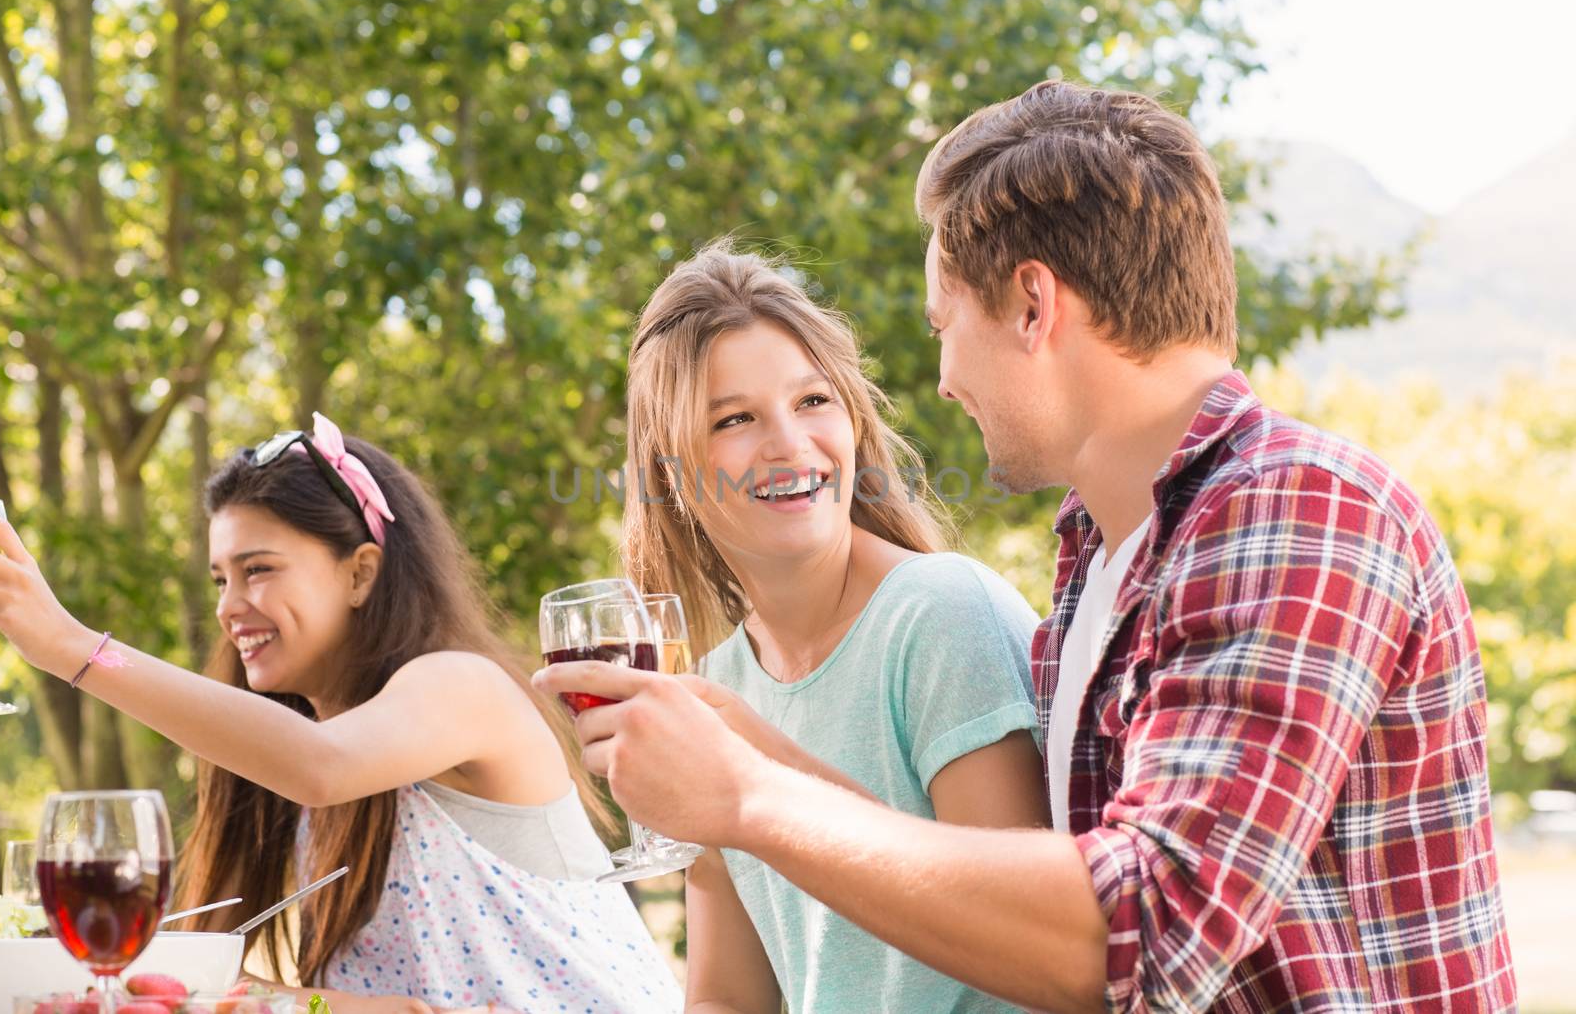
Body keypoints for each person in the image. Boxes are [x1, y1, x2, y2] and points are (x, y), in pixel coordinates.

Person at [535, 80, 1519, 1012]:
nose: (942, 374)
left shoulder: (1295, 506)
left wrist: (750, 794)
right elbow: (1001, 889)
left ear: (1032, 305)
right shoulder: (1104, 562)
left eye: (942, 322)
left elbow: (1140, 929)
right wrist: (752, 759)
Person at [0, 414, 681, 1014]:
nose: (228, 606)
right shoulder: (292, 758)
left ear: (360, 572)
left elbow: (322, 766)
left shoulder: (462, 688)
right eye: (221, 578)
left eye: (259, 569)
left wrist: (72, 646)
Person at [619, 241, 1049, 1013]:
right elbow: (727, 996)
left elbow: (1033, 952)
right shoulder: (715, 685)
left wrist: (757, 781)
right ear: (671, 474)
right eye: (736, 418)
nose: (788, 443)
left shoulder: (942, 616)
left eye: (812, 401)